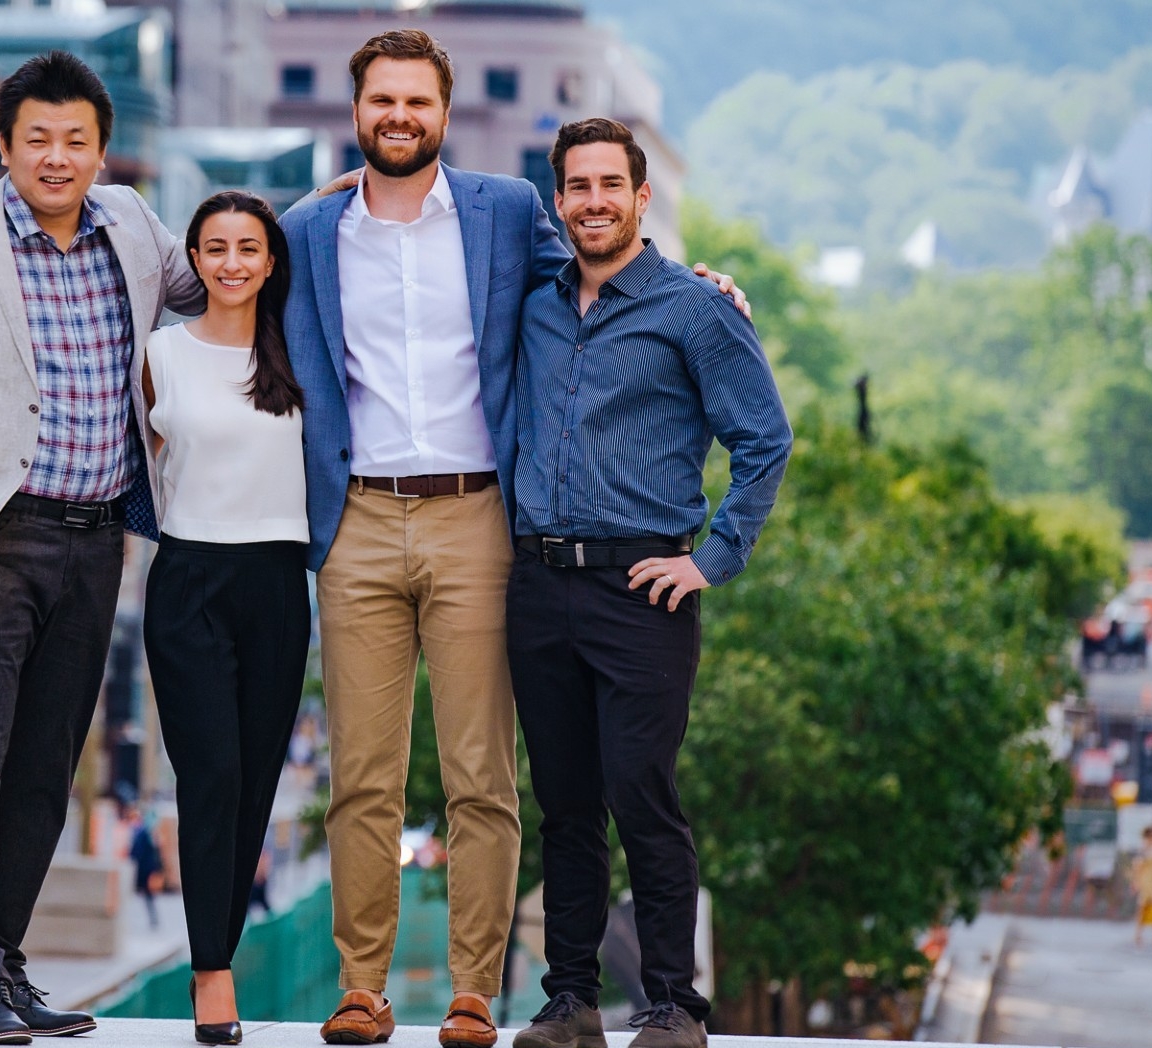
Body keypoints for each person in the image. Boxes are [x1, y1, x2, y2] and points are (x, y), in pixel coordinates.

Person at [279, 31, 747, 1048]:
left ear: (443, 114)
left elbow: (611, 272)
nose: (397, 116)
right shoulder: (308, 231)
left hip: (476, 520)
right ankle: (362, 989)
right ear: (353, 112)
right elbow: (216, 283)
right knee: (363, 771)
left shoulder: (504, 214)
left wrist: (705, 291)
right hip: (355, 517)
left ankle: (473, 993)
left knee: (481, 773)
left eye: (416, 101)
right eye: (380, 101)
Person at [0, 48, 204, 1046]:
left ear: (103, 150)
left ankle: (5, 964)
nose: (56, 158)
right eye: (37, 140)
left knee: (44, 768)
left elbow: (230, 275)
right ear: (6, 146)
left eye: (75, 140)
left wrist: (328, 212)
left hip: (99, 536)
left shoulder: (136, 230)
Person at [507, 118, 792, 1048]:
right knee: (566, 806)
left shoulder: (694, 308)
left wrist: (711, 558)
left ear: (641, 197)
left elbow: (764, 439)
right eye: (576, 187)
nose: (592, 201)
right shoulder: (536, 302)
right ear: (559, 203)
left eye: (608, 186)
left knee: (643, 794)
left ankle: (674, 1004)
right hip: (540, 582)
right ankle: (570, 1001)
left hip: (644, 589)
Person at [141, 190, 311, 1047]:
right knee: (207, 776)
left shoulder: (301, 350)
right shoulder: (161, 354)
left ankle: (220, 944)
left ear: (272, 260)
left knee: (255, 782)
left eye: (250, 247)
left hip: (279, 581)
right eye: (216, 248)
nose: (233, 262)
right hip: (189, 580)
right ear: (194, 260)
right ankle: (213, 971)